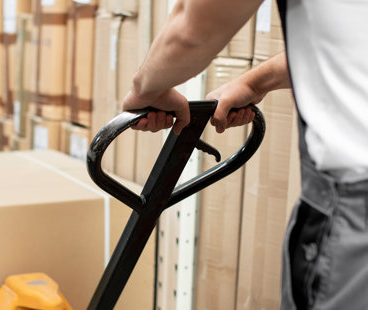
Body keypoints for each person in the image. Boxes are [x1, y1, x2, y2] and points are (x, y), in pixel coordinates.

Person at [122, 0, 368, 309]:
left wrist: (147, 89)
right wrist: (254, 82)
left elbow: (191, 28)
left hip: (355, 212)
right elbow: (348, 46)